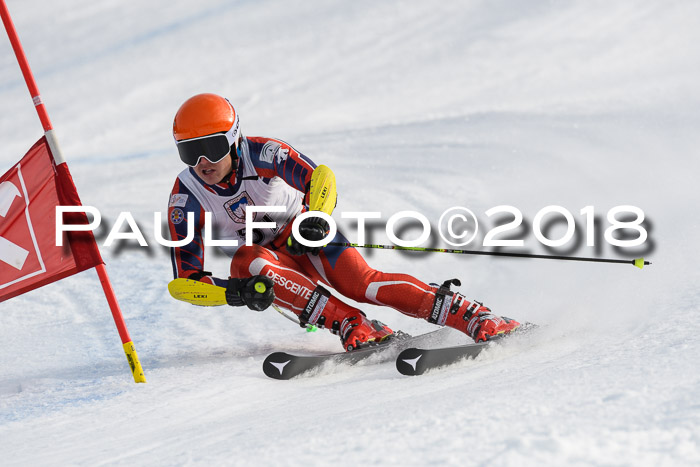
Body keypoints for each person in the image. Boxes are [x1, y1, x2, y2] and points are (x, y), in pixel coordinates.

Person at [167, 93, 520, 351]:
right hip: (271, 263)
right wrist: (233, 292)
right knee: (247, 261)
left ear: (233, 140)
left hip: (303, 235)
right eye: (189, 151)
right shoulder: (188, 196)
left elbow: (319, 178)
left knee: (361, 285)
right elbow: (185, 281)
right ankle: (353, 323)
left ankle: (471, 314)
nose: (202, 161)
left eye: (212, 147)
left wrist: (316, 218)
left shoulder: (262, 153)